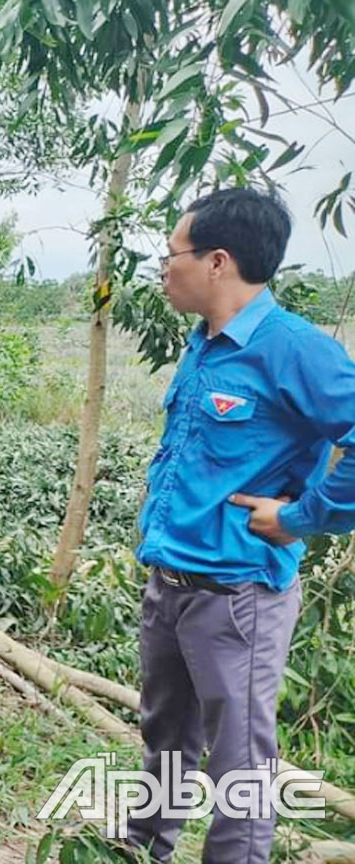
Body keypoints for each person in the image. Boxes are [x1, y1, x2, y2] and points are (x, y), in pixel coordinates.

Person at [123, 189, 355, 863]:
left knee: (239, 770)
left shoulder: (294, 351)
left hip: (238, 599)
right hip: (170, 584)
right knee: (164, 738)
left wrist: (304, 516)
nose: (164, 268)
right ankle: (139, 849)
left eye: (173, 254)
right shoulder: (204, 346)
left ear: (218, 261)